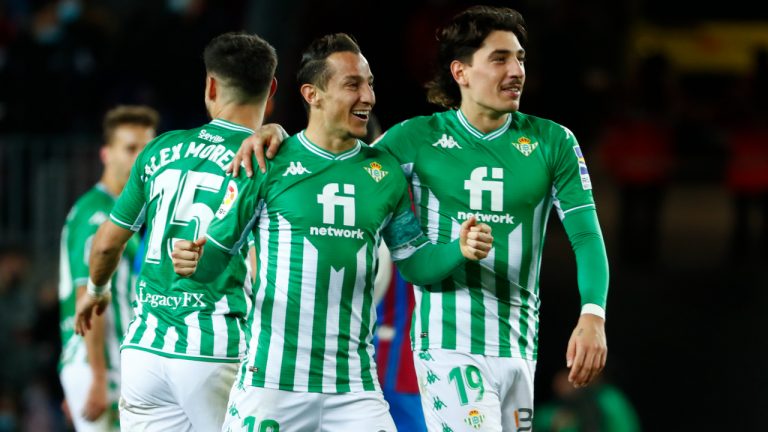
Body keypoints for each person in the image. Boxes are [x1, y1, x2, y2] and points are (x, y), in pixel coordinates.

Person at [233, 6, 609, 431]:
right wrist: (277, 134)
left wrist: (593, 313)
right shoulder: (416, 139)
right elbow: (340, 156)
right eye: (500, 59)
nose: (516, 70)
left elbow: (586, 236)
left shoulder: (553, 141)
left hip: (520, 343)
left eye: (520, 58)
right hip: (448, 343)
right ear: (461, 72)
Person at [170, 33, 494, 431]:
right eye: (352, 84)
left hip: (354, 388)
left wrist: (457, 249)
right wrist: (194, 264)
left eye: (370, 83)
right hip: (272, 385)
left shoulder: (385, 174)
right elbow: (215, 259)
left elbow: (415, 264)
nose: (368, 97)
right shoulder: (267, 161)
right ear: (313, 94)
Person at [73, 32, 278, 431]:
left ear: (211, 86)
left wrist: (96, 292)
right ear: (271, 88)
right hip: (215, 347)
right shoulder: (272, 159)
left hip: (144, 349)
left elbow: (105, 247)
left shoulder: (159, 149)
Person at [58, 105, 159, 431]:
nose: (141, 158)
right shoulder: (96, 216)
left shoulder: (122, 214)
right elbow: (86, 293)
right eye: (130, 148)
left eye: (147, 148)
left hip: (113, 365)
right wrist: (95, 377)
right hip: (102, 366)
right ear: (106, 154)